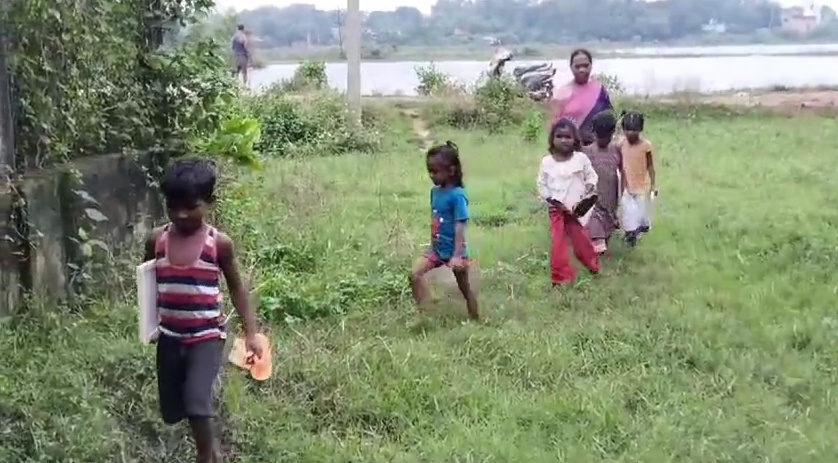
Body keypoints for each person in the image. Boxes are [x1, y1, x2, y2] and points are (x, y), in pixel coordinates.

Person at [143, 158, 262, 463]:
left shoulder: (218, 244)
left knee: (197, 402)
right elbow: (147, 281)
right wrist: (149, 323)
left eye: (191, 206)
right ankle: (212, 449)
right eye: (174, 206)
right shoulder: (156, 239)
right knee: (172, 410)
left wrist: (252, 333)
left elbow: (236, 287)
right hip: (170, 336)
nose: (181, 214)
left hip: (207, 336)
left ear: (209, 203)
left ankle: (206, 457)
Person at [409, 141, 479, 321]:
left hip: (455, 252)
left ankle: (476, 318)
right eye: (429, 171)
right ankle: (425, 312)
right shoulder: (435, 192)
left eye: (436, 171)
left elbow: (460, 225)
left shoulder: (457, 195)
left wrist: (456, 255)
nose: (432, 175)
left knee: (465, 289)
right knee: (415, 274)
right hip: (436, 249)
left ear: (451, 170)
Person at [537, 118, 600, 286]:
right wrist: (551, 199)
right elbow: (542, 184)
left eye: (568, 136)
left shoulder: (580, 159)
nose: (564, 140)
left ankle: (592, 264)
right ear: (552, 139)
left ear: (575, 139)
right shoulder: (547, 162)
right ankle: (560, 277)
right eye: (559, 136)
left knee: (581, 242)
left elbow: (591, 176)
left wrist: (590, 188)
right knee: (558, 242)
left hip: (576, 208)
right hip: (556, 209)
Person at [549, 48, 614, 145]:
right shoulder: (562, 92)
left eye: (586, 66)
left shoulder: (599, 90)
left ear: (591, 66)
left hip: (597, 147)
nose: (582, 70)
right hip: (570, 148)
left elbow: (609, 117)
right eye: (577, 66)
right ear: (571, 67)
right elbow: (555, 124)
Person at [582, 110, 625, 256]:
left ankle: (602, 244)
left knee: (608, 223)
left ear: (612, 133)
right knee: (594, 220)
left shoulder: (616, 149)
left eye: (607, 136)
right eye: (600, 136)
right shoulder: (586, 151)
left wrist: (624, 191)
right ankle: (595, 251)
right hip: (592, 196)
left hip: (611, 193)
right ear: (593, 133)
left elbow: (623, 170)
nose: (603, 139)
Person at [618, 110, 657, 246]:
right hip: (626, 186)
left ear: (640, 129)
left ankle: (638, 231)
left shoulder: (646, 146)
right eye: (627, 129)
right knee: (629, 214)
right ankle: (630, 235)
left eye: (634, 130)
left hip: (642, 186)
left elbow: (651, 167)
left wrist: (653, 185)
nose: (630, 133)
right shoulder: (621, 144)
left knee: (641, 214)